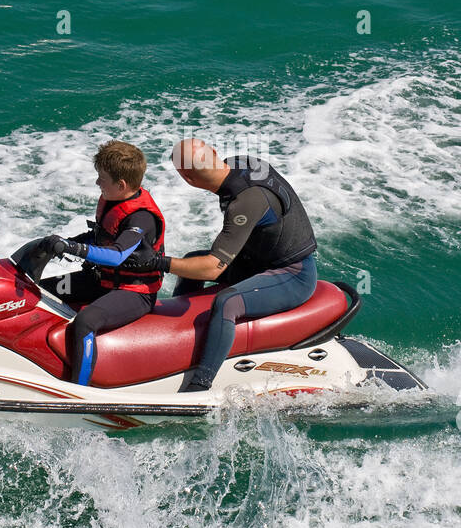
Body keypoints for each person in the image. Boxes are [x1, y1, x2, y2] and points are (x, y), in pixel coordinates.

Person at [125, 139, 318, 392]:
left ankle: (200, 384)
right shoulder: (242, 163)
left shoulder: (246, 201)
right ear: (215, 153)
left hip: (293, 274)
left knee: (227, 302)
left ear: (188, 180)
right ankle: (176, 341)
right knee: (192, 260)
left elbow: (212, 268)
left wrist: (158, 262)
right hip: (256, 262)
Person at [35, 140, 165, 386]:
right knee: (40, 291)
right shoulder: (114, 201)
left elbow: (116, 255)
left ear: (121, 184)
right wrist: (61, 243)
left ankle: (79, 391)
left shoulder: (141, 217)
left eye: (101, 178)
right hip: (103, 280)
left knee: (86, 321)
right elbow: (99, 237)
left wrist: (74, 248)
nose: (97, 183)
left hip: (134, 293)